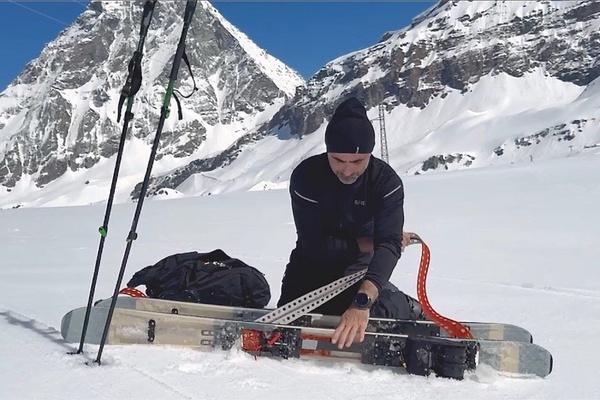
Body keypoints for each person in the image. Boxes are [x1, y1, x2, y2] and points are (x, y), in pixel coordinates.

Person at [278, 97, 424, 349]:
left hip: (358, 270)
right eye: (337, 160)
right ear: (327, 152)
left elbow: (389, 245)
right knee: (287, 323)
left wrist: (362, 303)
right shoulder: (306, 177)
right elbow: (314, 245)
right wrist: (370, 242)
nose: (347, 171)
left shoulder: (385, 183)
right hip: (311, 264)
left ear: (369, 154)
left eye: (357, 161)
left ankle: (402, 304)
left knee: (372, 320)